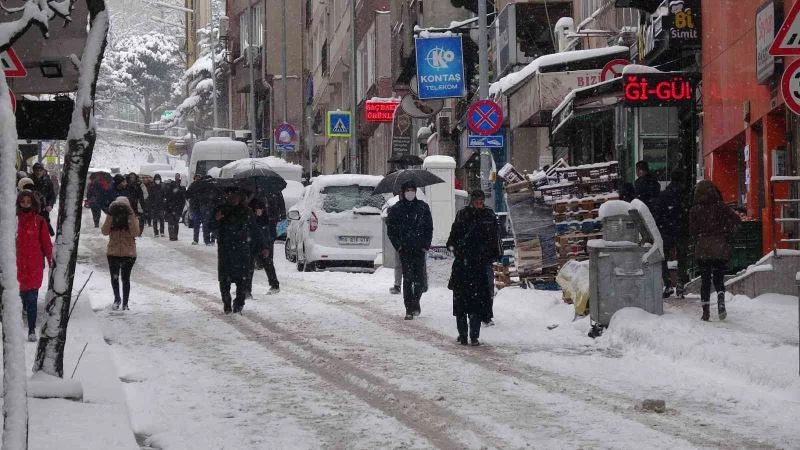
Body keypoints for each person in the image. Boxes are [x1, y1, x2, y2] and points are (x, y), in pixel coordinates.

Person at [446, 190, 499, 346]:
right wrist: (457, 250)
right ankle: (463, 335)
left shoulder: (488, 216)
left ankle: (474, 336)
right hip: (463, 267)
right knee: (461, 305)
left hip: (478, 267)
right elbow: (452, 238)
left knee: (476, 304)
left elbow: (495, 240)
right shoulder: (463, 215)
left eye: (481, 201)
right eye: (476, 201)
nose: (479, 204)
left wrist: (491, 256)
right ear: (471, 201)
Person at [210, 187, 268, 314]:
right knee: (224, 279)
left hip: (242, 250)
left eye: (235, 196)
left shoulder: (246, 212)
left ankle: (239, 303)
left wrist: (263, 247)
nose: (233, 198)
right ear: (226, 197)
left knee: (243, 279)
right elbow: (210, 226)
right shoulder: (220, 210)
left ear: (240, 197)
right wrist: (216, 219)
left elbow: (255, 230)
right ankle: (226, 303)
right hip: (226, 250)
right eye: (230, 196)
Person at [689, 180, 740, 322]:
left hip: (703, 249)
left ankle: (705, 312)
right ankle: (721, 300)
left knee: (705, 280)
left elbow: (692, 231)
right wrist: (726, 233)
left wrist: (700, 234)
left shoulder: (695, 210)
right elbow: (736, 221)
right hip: (719, 247)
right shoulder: (722, 207)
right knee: (718, 278)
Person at [386, 180, 433, 320]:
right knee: (408, 278)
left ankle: (416, 301)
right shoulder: (396, 209)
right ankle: (408, 308)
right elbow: (391, 230)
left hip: (419, 248)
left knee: (419, 279)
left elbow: (429, 228)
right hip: (405, 249)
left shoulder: (423, 207)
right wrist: (398, 246)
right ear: (403, 192)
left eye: (412, 190)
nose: (410, 193)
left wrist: (425, 245)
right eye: (407, 190)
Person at [16, 190, 53, 342]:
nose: (25, 204)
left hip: (34, 264)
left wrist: (52, 262)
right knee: (21, 298)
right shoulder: (13, 220)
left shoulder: (39, 221)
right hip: (17, 265)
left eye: (28, 201)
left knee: (32, 297)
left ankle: (31, 329)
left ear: (33, 203)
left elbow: (46, 243)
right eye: (22, 201)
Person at [653, 169, 690, 298]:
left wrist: (660, 227)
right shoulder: (686, 195)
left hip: (666, 231)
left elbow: (657, 215)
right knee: (682, 257)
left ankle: (668, 284)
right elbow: (688, 213)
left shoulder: (663, 195)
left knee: (663, 257)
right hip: (682, 231)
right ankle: (680, 283)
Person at [101, 196, 140, 311]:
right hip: (113, 252)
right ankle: (117, 299)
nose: (120, 209)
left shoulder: (132, 218)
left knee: (125, 278)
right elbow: (104, 231)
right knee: (115, 277)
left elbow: (136, 232)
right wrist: (110, 214)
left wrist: (130, 214)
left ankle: (125, 303)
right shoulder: (112, 218)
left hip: (128, 253)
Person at [245, 197, 280, 296]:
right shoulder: (244, 203)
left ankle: (274, 284)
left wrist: (257, 213)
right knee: (249, 262)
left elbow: (263, 220)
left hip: (260, 235)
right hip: (251, 235)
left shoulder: (259, 202)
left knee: (265, 260)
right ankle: (246, 289)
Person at [31, 162, 56, 236]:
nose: (38, 172)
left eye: (40, 170)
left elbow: (52, 195)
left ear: (43, 171)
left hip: (44, 209)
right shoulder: (30, 180)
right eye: (36, 170)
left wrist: (50, 205)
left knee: (44, 227)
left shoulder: (47, 181)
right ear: (34, 171)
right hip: (32, 209)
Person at [190, 174, 212, 245]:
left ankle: (206, 240)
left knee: (204, 225)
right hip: (197, 208)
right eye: (196, 177)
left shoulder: (203, 185)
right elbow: (188, 194)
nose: (197, 179)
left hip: (202, 207)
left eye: (198, 177)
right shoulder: (193, 185)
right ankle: (197, 240)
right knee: (198, 225)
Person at [164, 176, 186, 241]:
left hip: (175, 210)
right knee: (172, 223)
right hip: (172, 210)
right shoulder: (169, 192)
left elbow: (182, 202)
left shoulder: (180, 192)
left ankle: (173, 236)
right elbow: (167, 201)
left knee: (174, 223)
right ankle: (173, 236)